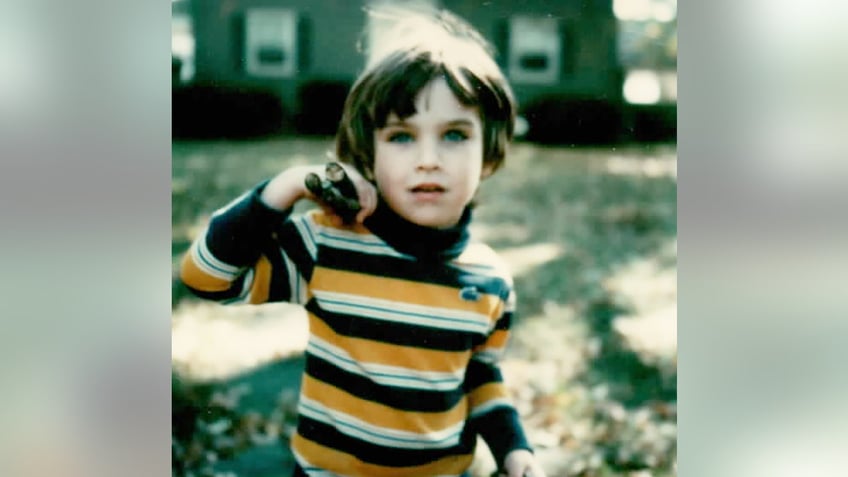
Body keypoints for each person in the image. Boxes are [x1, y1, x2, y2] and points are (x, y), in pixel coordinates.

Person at [180, 7, 546, 477]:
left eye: (454, 135)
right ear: (369, 155)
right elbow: (205, 278)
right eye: (401, 137)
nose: (428, 160)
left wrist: (515, 450)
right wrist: (284, 189)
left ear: (489, 152)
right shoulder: (326, 244)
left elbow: (481, 376)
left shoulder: (490, 279)